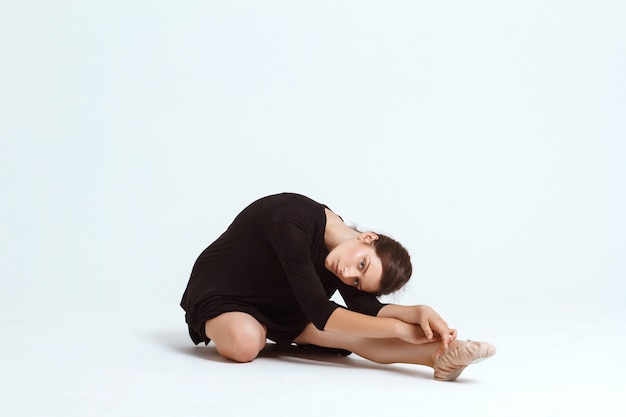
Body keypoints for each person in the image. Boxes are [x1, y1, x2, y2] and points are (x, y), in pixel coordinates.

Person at [180, 192, 495, 381]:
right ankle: (251, 327)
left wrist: (417, 311)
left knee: (356, 332)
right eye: (361, 265)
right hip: (223, 290)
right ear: (367, 237)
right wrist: (400, 330)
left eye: (357, 280)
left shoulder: (344, 255)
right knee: (247, 342)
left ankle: (439, 358)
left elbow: (365, 308)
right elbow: (320, 310)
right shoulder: (292, 219)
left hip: (284, 300)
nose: (347, 274)